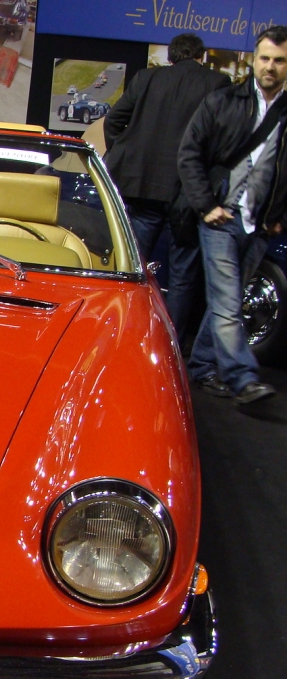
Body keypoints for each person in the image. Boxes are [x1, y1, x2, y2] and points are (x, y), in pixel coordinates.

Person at [177, 25, 287, 404]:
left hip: (261, 225)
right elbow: (189, 153)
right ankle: (243, 377)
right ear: (254, 60)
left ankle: (202, 365)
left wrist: (281, 218)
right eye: (265, 58)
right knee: (227, 299)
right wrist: (206, 205)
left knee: (230, 297)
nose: (270, 66)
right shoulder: (223, 101)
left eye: (279, 60)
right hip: (220, 219)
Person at [103, 33, 230, 338]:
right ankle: (168, 341)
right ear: (200, 56)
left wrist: (126, 154)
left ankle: (126, 335)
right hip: (189, 192)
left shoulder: (146, 78)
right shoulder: (218, 83)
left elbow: (113, 121)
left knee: (133, 269)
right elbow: (224, 140)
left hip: (142, 187)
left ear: (171, 56)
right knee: (183, 274)